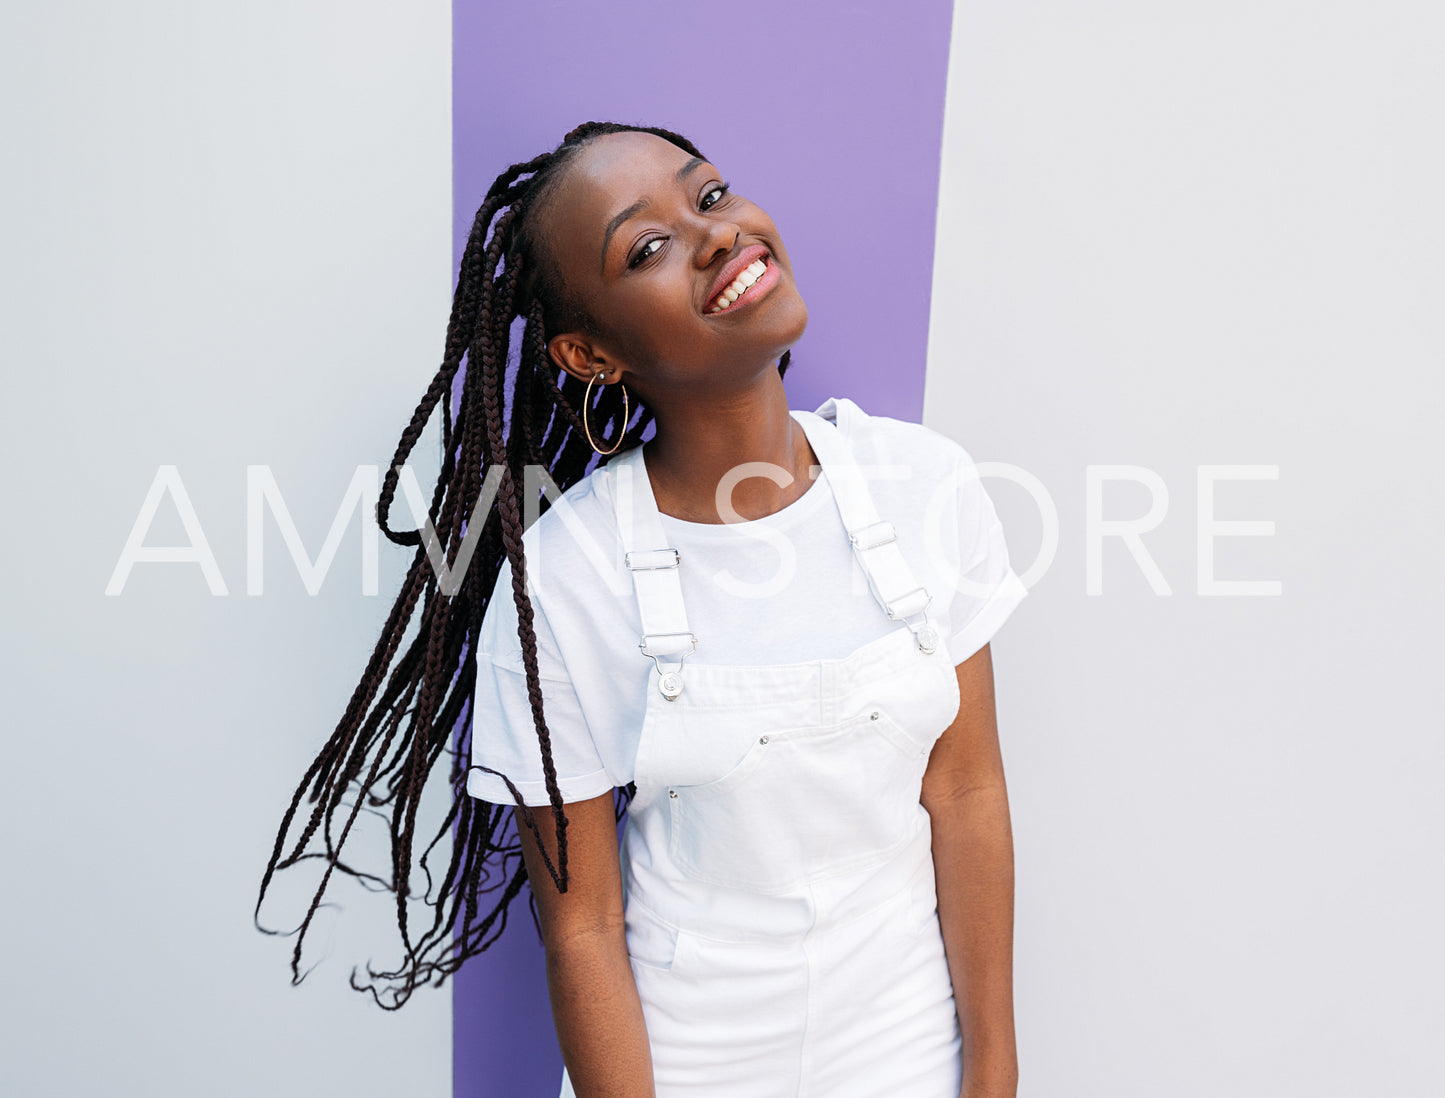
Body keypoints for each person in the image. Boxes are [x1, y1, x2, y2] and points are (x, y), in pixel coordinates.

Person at [256, 121, 1028, 1098]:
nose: (716, 234)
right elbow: (580, 932)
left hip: (910, 1048)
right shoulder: (563, 582)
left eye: (708, 196)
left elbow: (964, 795)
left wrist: (994, 1071)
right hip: (688, 1064)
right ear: (589, 354)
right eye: (646, 247)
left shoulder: (926, 485)